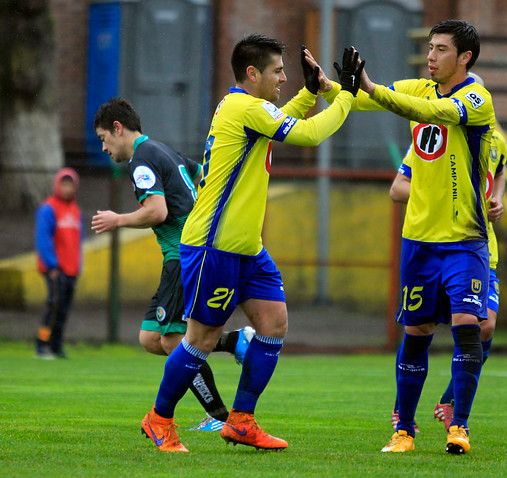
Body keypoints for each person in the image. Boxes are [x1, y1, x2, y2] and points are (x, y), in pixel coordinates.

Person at [139, 33, 363, 452]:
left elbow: (281, 120)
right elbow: (309, 135)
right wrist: (345, 95)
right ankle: (159, 419)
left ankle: (241, 421)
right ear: (252, 73)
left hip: (246, 247)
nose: (283, 78)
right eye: (278, 71)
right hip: (214, 246)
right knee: (201, 340)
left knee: (274, 324)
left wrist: (310, 92)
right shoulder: (244, 107)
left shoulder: (246, 107)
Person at [312, 19, 494, 454]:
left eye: (441, 49)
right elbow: (360, 101)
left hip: (465, 238)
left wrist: (371, 87)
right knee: (417, 332)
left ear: (464, 57)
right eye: (429, 48)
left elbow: (429, 113)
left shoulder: (476, 98)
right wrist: (326, 86)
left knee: (469, 327)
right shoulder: (418, 87)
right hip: (419, 241)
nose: (430, 56)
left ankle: (460, 427)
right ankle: (404, 431)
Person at [92, 97, 254, 433]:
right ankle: (233, 341)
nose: (104, 148)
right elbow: (201, 174)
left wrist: (117, 219)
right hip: (190, 254)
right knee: (151, 337)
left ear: (117, 128)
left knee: (173, 341)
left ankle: (220, 417)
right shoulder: (162, 150)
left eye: (103, 138)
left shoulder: (141, 161)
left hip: (183, 258)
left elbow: (157, 211)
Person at [388, 81, 507, 432]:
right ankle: (402, 416)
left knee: (483, 325)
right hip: (430, 242)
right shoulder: (431, 137)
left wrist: (497, 200)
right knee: (420, 329)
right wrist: (436, 193)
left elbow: (496, 176)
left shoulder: (493, 142)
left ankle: (452, 405)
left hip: (478, 245)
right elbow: (397, 189)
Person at [35, 167, 83, 359]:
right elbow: (43, 239)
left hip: (71, 270)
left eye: (70, 185)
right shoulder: (48, 208)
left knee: (63, 310)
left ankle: (56, 345)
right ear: (57, 185)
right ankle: (42, 344)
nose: (67, 189)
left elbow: (77, 242)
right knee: (53, 308)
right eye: (63, 184)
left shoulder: (75, 211)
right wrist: (51, 265)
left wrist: (77, 267)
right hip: (56, 270)